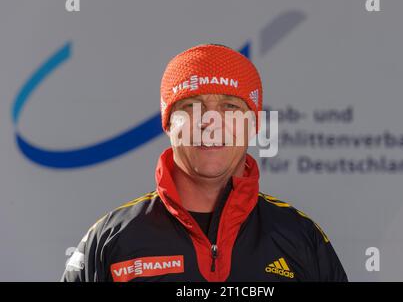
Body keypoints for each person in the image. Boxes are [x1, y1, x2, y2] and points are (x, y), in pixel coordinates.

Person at [61, 44, 347, 282]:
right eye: (191, 106)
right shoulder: (111, 240)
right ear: (168, 124)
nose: (211, 123)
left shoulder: (300, 239)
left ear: (253, 124)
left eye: (230, 107)